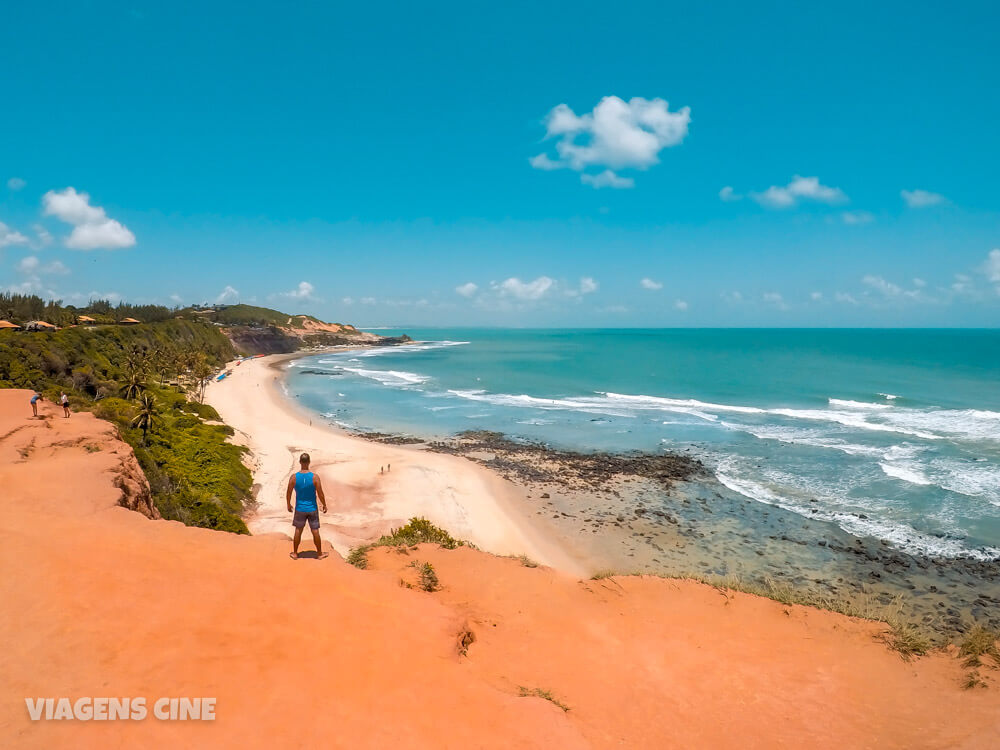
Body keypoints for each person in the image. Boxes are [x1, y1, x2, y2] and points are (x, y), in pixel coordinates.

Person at [285, 453, 328, 560]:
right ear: (309, 462)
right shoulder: (315, 477)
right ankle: (319, 554)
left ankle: (295, 553)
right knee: (315, 531)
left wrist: (288, 504)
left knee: (298, 530)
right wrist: (324, 504)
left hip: (300, 508)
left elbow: (289, 492)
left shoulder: (294, 477)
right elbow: (320, 493)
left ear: (300, 462)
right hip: (312, 508)